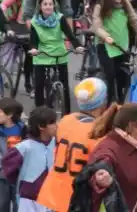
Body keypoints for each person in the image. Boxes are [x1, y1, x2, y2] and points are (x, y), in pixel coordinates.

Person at [36, 78, 108, 212]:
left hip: (56, 191)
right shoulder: (99, 132)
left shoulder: (65, 121)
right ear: (103, 102)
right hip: (79, 197)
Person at [75, 103, 137, 212]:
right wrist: (100, 179)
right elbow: (99, 167)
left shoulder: (134, 144)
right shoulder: (109, 149)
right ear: (131, 126)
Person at [90, 0, 137, 103]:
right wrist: (105, 36)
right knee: (111, 76)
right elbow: (96, 25)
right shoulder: (101, 5)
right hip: (105, 45)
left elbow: (136, 22)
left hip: (122, 46)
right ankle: (108, 105)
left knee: (123, 79)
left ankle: (120, 104)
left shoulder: (125, 4)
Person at [28, 0, 79, 113]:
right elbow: (33, 40)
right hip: (42, 54)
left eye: (50, 4)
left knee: (65, 86)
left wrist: (78, 46)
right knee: (39, 85)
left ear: (54, 6)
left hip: (59, 53)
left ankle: (66, 114)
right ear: (40, 6)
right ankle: (39, 113)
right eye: (45, 4)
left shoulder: (60, 18)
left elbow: (69, 34)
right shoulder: (35, 21)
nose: (48, 7)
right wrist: (34, 49)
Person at [1, 106, 58, 212]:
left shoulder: (56, 143)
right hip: (29, 197)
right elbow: (8, 165)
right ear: (41, 126)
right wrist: (22, 181)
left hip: (51, 196)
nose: (56, 125)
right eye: (52, 123)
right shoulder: (25, 147)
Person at [0, 98, 25, 212]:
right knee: (2, 205)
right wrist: (4, 165)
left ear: (9, 114)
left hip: (19, 173)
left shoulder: (23, 130)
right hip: (2, 174)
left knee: (18, 204)